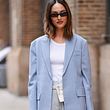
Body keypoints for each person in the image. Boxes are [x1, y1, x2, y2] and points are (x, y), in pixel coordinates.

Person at [28, 0, 94, 110]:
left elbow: (87, 81)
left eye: (63, 13)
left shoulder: (81, 43)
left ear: (68, 15)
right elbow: (33, 81)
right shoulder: (36, 45)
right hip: (47, 98)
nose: (59, 17)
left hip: (75, 99)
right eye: (54, 14)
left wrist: (90, 107)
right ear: (49, 17)